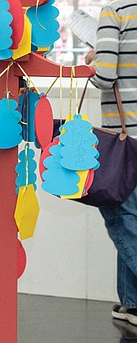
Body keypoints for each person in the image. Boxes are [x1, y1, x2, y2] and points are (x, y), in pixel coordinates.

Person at [85, 0, 137, 326]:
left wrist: (93, 59)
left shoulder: (116, 10)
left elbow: (105, 76)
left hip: (127, 136)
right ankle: (131, 303)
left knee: (124, 220)